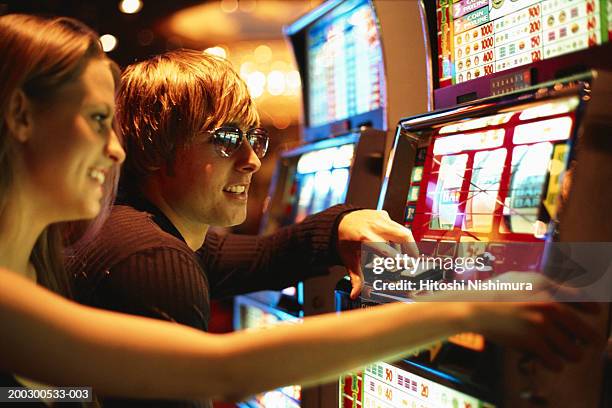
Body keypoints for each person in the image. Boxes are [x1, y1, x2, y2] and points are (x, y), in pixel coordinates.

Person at [67, 49, 603, 407]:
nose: (254, 161)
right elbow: (224, 371)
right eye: (228, 139)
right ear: (158, 149)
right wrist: (464, 305)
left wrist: (344, 222)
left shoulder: (133, 232)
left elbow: (263, 255)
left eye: (256, 137)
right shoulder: (151, 260)